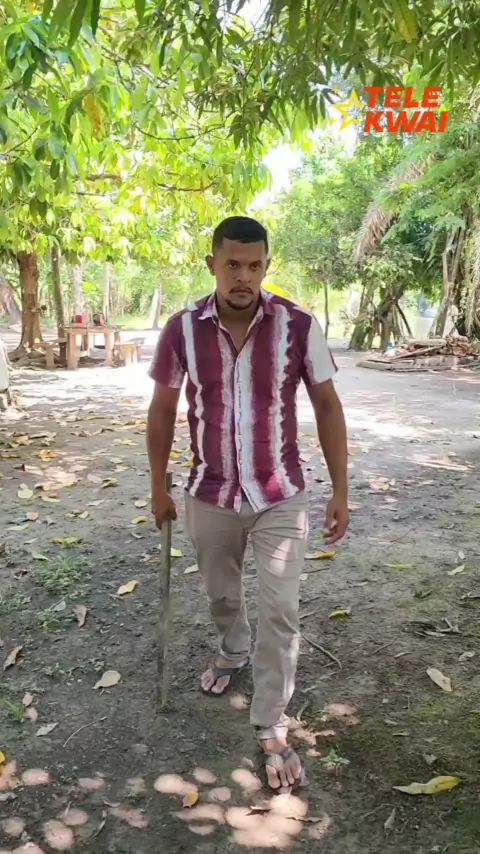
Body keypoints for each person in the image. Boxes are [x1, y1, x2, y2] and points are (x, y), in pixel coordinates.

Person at [147, 216, 349, 792]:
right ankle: (233, 648)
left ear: (266, 266)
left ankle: (270, 722)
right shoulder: (181, 329)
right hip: (209, 491)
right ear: (212, 264)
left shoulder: (297, 326)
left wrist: (340, 489)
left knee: (281, 610)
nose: (243, 277)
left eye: (254, 266)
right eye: (232, 265)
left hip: (279, 493)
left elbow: (328, 407)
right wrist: (158, 486)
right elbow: (162, 410)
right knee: (221, 593)